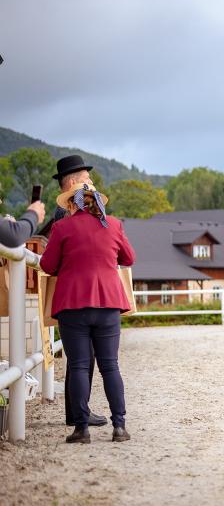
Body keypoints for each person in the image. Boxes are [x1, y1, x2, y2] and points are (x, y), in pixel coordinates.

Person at [40, 183, 136, 443]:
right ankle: (119, 427)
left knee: (79, 366)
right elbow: (128, 258)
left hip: (72, 304)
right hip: (108, 303)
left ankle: (81, 429)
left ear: (73, 204)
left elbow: (47, 265)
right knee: (110, 366)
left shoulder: (62, 227)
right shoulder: (113, 224)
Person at [45, 155, 108, 428]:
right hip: (80, 293)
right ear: (73, 182)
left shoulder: (65, 211)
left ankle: (77, 410)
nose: (91, 182)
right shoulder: (69, 212)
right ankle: (77, 411)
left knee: (79, 356)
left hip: (72, 293)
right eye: (87, 178)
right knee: (83, 357)